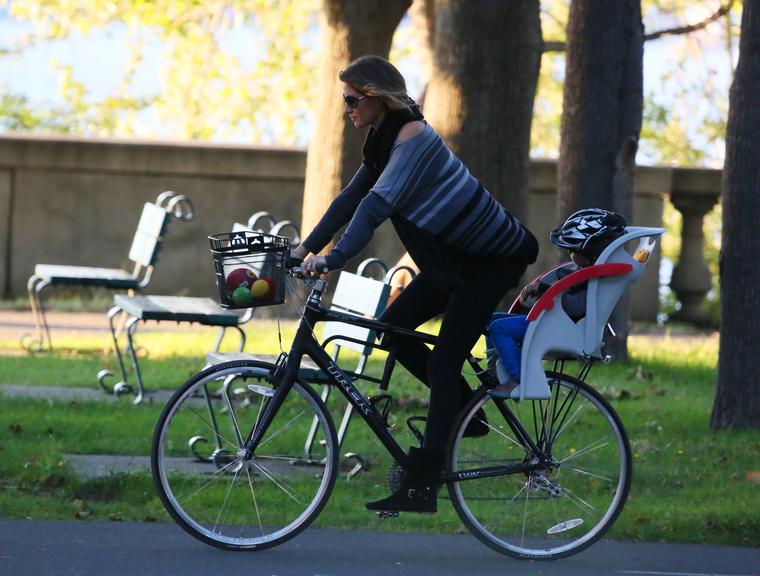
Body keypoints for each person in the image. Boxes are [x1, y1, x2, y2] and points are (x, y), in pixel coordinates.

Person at [290, 55, 538, 514]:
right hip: (451, 265)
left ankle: (423, 485)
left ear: (376, 98)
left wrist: (333, 259)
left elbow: (374, 207)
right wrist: (304, 249)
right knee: (392, 329)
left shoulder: (413, 141)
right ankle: (469, 414)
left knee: (444, 362)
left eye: (351, 99)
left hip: (489, 263)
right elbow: (350, 198)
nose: (346, 109)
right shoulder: (384, 141)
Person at [486, 208, 627, 398]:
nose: (570, 255)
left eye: (572, 250)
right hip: (553, 323)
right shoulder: (589, 274)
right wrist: (544, 289)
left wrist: (546, 292)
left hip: (558, 327)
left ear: (589, 252)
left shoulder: (594, 280)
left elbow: (575, 306)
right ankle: (496, 367)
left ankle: (518, 378)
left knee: (498, 328)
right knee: (490, 320)